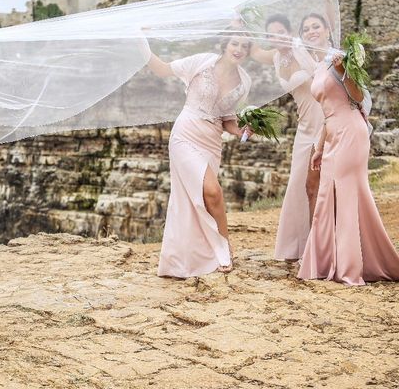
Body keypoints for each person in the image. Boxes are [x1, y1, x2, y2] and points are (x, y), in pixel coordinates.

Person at [149, 35, 252, 277]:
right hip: (185, 134)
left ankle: (193, 256)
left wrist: (244, 131)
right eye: (235, 43)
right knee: (213, 191)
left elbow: (228, 120)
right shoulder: (203, 62)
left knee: (203, 199)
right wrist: (140, 43)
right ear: (225, 44)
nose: (239, 49)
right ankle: (225, 246)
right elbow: (162, 69)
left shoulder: (245, 81)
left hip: (212, 142)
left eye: (244, 46)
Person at [297, 54, 399, 285]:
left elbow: (358, 97)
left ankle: (349, 267)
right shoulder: (319, 66)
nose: (312, 32)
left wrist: (343, 69)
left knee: (347, 195)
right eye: (308, 28)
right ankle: (324, 261)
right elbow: (327, 112)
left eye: (317, 27)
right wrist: (320, 147)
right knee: (326, 195)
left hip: (351, 132)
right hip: (332, 132)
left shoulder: (343, 58)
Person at [250, 14, 325, 261]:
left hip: (324, 119)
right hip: (304, 127)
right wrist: (240, 22)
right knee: (298, 184)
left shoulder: (303, 47)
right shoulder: (274, 55)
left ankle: (322, 244)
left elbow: (325, 41)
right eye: (272, 34)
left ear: (290, 30)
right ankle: (298, 244)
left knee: (320, 184)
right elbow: (254, 51)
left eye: (281, 31)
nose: (277, 37)